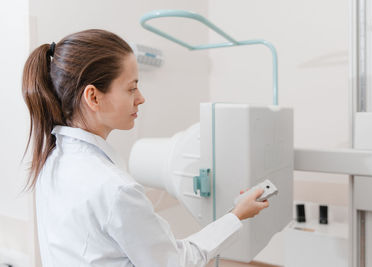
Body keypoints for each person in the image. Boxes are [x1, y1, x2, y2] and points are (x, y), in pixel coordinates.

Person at [22, 29, 269, 267]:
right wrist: (236, 216)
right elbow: (174, 262)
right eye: (131, 88)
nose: (141, 98)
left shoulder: (51, 161)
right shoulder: (116, 189)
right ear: (93, 97)